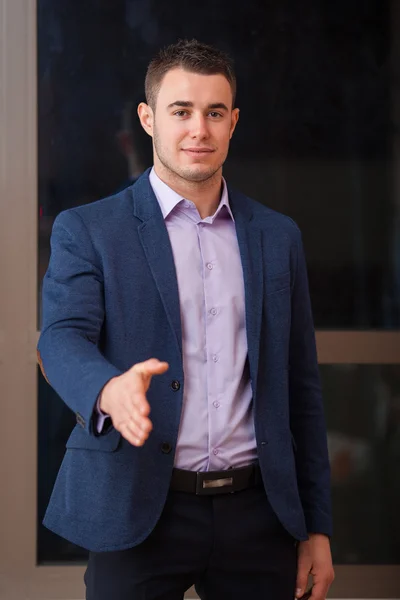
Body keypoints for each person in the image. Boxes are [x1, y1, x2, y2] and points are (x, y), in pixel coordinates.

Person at [37, 39, 334, 600]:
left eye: (214, 112)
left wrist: (316, 527)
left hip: (258, 513)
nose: (199, 129)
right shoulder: (89, 230)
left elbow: (301, 389)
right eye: (181, 111)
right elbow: (60, 338)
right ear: (148, 119)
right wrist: (106, 389)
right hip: (139, 506)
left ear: (233, 122)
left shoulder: (277, 237)